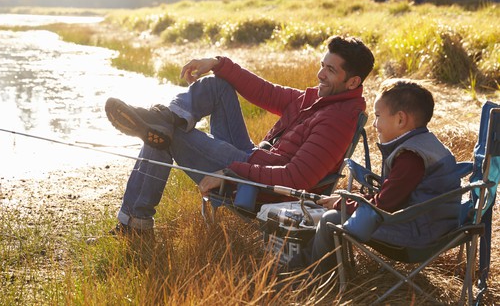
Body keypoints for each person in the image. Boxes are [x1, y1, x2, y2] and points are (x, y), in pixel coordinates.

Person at [103, 35, 375, 236]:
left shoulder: (338, 120)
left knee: (166, 135)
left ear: (352, 82)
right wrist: (217, 63)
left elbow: (297, 179)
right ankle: (166, 118)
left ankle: (134, 223)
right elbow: (265, 91)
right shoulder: (317, 99)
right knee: (216, 85)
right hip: (256, 158)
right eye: (322, 65)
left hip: (259, 188)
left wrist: (231, 171)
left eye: (330, 70)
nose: (320, 74)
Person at [304, 79, 464, 275]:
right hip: (434, 226)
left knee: (330, 219)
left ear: (400, 120)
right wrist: (354, 201)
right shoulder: (425, 144)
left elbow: (384, 206)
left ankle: (315, 279)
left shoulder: (410, 156)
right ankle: (326, 270)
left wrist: (343, 203)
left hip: (417, 237)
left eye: (378, 116)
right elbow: (395, 197)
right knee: (342, 210)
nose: (374, 124)